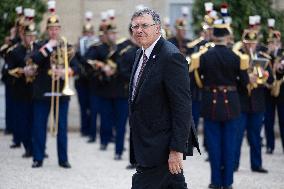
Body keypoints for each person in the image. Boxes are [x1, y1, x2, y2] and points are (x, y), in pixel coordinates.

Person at [129, 8, 199, 189]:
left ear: (157, 28)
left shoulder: (171, 56)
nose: (139, 30)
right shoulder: (140, 53)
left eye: (144, 25)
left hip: (161, 145)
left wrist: (176, 150)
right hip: (146, 142)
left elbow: (182, 107)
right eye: (135, 26)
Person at [193, 18, 249, 189]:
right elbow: (245, 84)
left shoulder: (203, 57)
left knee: (214, 145)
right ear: (227, 36)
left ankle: (216, 181)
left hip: (210, 103)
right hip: (231, 104)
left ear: (213, 36)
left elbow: (197, 82)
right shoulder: (237, 57)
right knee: (230, 144)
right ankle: (228, 182)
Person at [30, 2, 78, 168]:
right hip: (43, 91)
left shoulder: (67, 46)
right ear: (47, 30)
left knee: (62, 128)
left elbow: (78, 69)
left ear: (59, 29)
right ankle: (38, 157)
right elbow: (35, 59)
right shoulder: (39, 45)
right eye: (51, 28)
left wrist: (65, 72)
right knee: (39, 127)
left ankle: (63, 159)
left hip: (61, 92)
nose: (54, 31)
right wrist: (49, 47)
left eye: (56, 28)